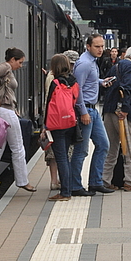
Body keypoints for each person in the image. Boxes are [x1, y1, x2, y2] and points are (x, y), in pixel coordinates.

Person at [0, 47, 36, 192]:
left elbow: (6, 91)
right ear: (12, 60)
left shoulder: (7, 69)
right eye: (20, 62)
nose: (21, 66)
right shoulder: (5, 67)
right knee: (18, 147)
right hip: (5, 111)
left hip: (5, 110)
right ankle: (23, 181)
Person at [71, 34, 113, 196]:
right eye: (97, 46)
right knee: (81, 150)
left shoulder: (92, 62)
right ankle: (75, 186)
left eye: (102, 46)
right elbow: (77, 89)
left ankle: (95, 182)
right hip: (86, 111)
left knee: (103, 144)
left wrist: (101, 81)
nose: (101, 49)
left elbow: (88, 82)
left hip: (92, 110)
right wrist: (82, 112)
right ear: (88, 46)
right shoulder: (84, 64)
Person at [44, 54, 86, 202]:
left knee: (61, 158)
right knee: (65, 158)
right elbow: (75, 101)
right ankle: (68, 189)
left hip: (56, 125)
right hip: (70, 123)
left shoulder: (55, 82)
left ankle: (65, 192)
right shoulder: (74, 82)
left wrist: (45, 126)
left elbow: (49, 105)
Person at [102, 46, 131, 192]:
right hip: (121, 112)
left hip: (108, 110)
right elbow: (127, 88)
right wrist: (125, 109)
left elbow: (105, 85)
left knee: (110, 147)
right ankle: (130, 181)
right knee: (130, 148)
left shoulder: (116, 66)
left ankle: (105, 180)